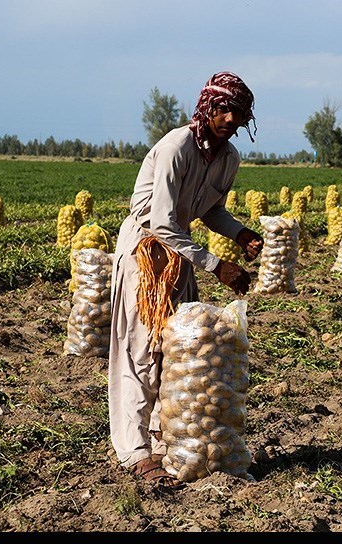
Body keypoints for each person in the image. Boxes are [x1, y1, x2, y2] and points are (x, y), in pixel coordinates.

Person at [107, 71, 264, 489]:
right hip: (146, 251)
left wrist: (239, 232)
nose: (230, 118)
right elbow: (161, 222)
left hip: (179, 255)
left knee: (175, 350)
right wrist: (218, 265)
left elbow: (209, 210)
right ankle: (135, 452)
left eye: (239, 112)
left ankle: (165, 439)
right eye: (223, 108)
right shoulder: (178, 147)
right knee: (141, 350)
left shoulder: (229, 159)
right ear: (207, 107)